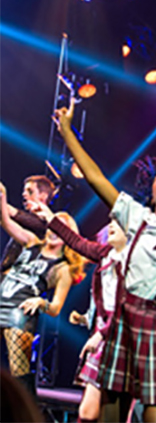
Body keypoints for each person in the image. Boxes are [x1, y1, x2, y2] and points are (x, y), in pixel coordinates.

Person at [53, 96, 156, 423]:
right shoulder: (137, 218)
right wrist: (68, 132)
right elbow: (96, 177)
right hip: (126, 322)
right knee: (108, 414)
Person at [32, 200, 128, 423]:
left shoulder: (137, 262)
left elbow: (130, 306)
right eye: (111, 220)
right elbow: (76, 242)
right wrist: (50, 217)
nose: (111, 225)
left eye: (119, 222)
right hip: (105, 337)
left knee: (114, 412)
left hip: (124, 339)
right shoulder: (106, 254)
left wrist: (100, 334)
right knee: (87, 412)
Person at [0, 182, 84, 395]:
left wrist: (40, 302)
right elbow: (5, 221)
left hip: (20, 313)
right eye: (54, 225)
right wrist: (2, 195)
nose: (56, 230)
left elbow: (55, 308)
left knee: (20, 375)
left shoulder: (63, 268)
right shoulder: (31, 242)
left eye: (61, 227)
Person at [1, 175, 56, 273]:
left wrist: (2, 194)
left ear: (43, 195)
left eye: (30, 191)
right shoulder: (24, 221)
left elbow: (10, 211)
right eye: (24, 191)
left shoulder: (45, 225)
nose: (24, 194)